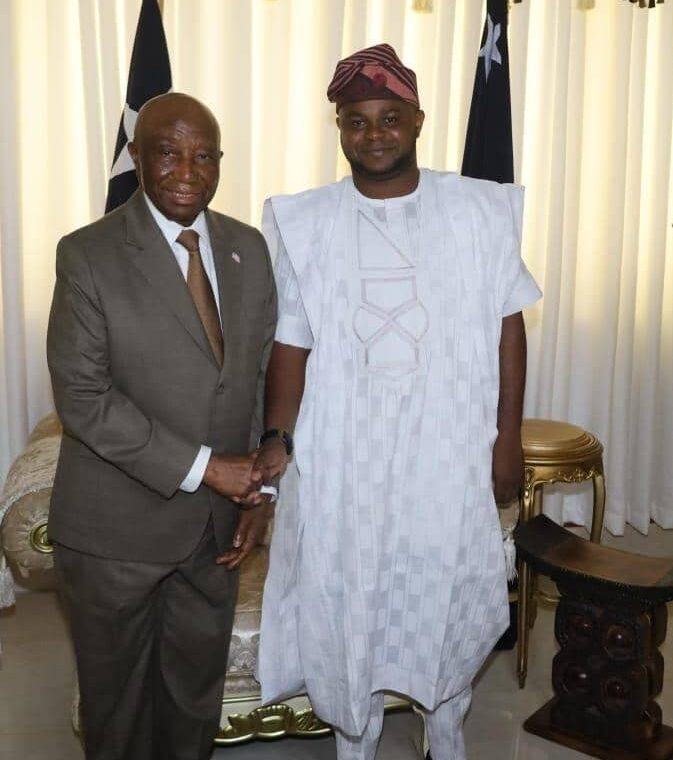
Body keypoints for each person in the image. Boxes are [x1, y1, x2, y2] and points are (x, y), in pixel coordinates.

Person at [254, 44, 541, 760]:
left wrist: (507, 439)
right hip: (344, 447)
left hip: (445, 445)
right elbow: (291, 342)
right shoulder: (306, 221)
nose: (373, 133)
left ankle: (446, 723)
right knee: (350, 586)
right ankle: (357, 730)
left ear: (417, 120)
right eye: (357, 121)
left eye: (389, 118)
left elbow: (510, 325)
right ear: (340, 128)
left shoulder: (480, 210)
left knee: (448, 579)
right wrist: (278, 439)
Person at [46, 93, 276, 760]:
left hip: (215, 534)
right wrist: (210, 467)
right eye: (168, 153)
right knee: (116, 715)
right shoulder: (87, 255)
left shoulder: (248, 250)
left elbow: (255, 380)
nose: (187, 170)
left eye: (204, 156)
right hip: (113, 536)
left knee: (192, 707)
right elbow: (84, 399)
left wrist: (257, 491)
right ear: (139, 158)